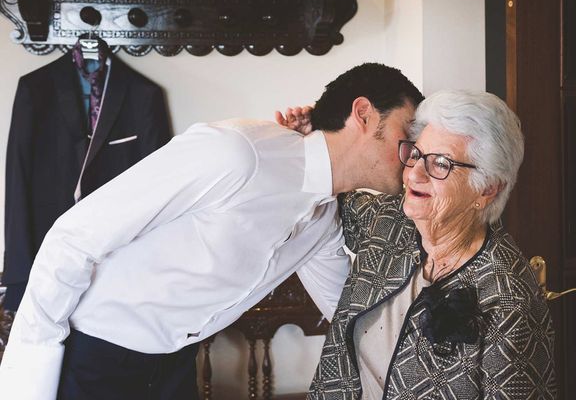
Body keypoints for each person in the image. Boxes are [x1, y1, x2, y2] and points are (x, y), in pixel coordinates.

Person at [0, 63, 424, 400]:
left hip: (175, 368)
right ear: (364, 114)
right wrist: (28, 383)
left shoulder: (322, 221)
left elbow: (347, 313)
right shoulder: (237, 153)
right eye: (407, 136)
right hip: (94, 359)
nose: (413, 156)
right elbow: (72, 237)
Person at [284, 90, 556, 399]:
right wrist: (314, 141)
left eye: (441, 163)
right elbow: (330, 187)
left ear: (487, 190)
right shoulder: (389, 222)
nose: (414, 173)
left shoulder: (508, 299)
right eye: (415, 153)